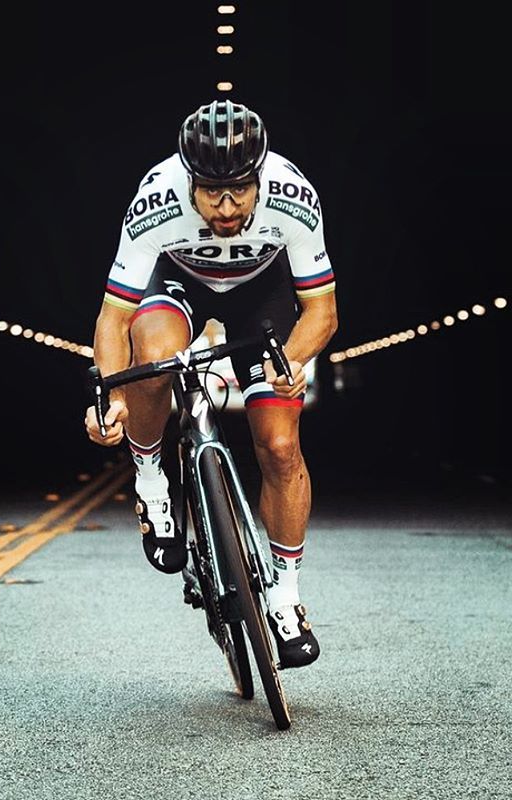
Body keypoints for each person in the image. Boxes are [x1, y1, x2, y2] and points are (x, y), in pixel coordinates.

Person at [85, 99, 338, 668]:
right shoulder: (154, 200)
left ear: (261, 176)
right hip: (176, 283)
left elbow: (321, 311)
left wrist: (290, 361)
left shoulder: (293, 196)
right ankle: (153, 479)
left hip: (261, 294)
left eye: (240, 192)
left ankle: (286, 593)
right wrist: (111, 395)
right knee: (153, 355)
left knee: (278, 444)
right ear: (189, 183)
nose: (226, 209)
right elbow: (113, 319)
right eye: (211, 194)